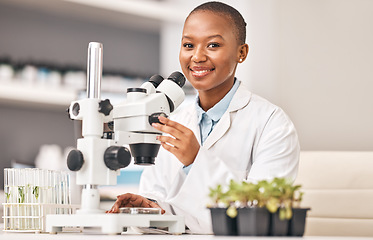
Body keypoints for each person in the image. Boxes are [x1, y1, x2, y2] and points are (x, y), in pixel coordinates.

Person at [108, 1, 300, 234]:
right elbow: (161, 196)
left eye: (213, 45)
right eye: (188, 45)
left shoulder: (272, 124)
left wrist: (196, 160)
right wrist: (151, 208)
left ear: (242, 52)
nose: (197, 56)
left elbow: (259, 216)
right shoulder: (173, 122)